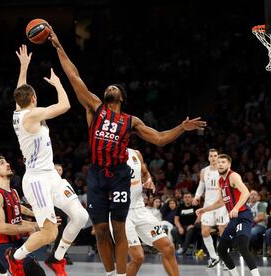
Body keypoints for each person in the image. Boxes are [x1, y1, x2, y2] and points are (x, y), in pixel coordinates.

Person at [49, 29, 206, 276]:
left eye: (115, 87)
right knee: (100, 229)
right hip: (97, 175)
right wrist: (58, 46)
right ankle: (111, 273)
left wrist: (181, 128)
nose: (110, 87)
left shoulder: (131, 121)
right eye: (108, 86)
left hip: (119, 176)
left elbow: (160, 139)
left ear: (121, 97)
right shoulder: (94, 107)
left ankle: (120, 275)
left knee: (118, 227)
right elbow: (73, 75)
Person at [9, 45, 89, 276]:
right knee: (50, 233)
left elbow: (19, 91)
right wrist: (57, 84)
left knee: (81, 216)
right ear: (33, 98)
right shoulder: (33, 114)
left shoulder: (18, 111)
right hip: (36, 180)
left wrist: (24, 66)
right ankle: (15, 257)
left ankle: (56, 258)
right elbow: (64, 106)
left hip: (51, 176)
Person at [196, 154, 260, 276]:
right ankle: (235, 274)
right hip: (233, 219)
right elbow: (220, 202)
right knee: (221, 250)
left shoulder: (233, 176)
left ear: (229, 165)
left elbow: (246, 192)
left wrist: (235, 208)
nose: (220, 164)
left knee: (242, 246)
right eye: (218, 162)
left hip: (243, 216)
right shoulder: (220, 181)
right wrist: (204, 210)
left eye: (223, 162)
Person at [0, 156, 45, 276]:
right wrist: (30, 228)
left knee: (38, 272)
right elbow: (1, 228)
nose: (8, 164)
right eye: (2, 163)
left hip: (18, 242)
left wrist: (43, 223)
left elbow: (18, 221)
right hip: (3, 245)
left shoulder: (14, 192)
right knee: (35, 272)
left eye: (7, 161)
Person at [124, 148, 179, 276]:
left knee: (168, 248)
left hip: (139, 210)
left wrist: (148, 179)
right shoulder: (107, 155)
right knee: (138, 257)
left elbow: (145, 173)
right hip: (121, 213)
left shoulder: (136, 153)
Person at [193, 149, 229, 268]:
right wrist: (197, 196)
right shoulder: (204, 171)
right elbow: (201, 186)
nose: (213, 158)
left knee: (222, 231)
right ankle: (214, 257)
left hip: (221, 205)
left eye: (215, 156)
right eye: (211, 156)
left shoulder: (224, 170)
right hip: (208, 206)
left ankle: (225, 258)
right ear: (208, 158)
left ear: (218, 157)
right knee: (205, 232)